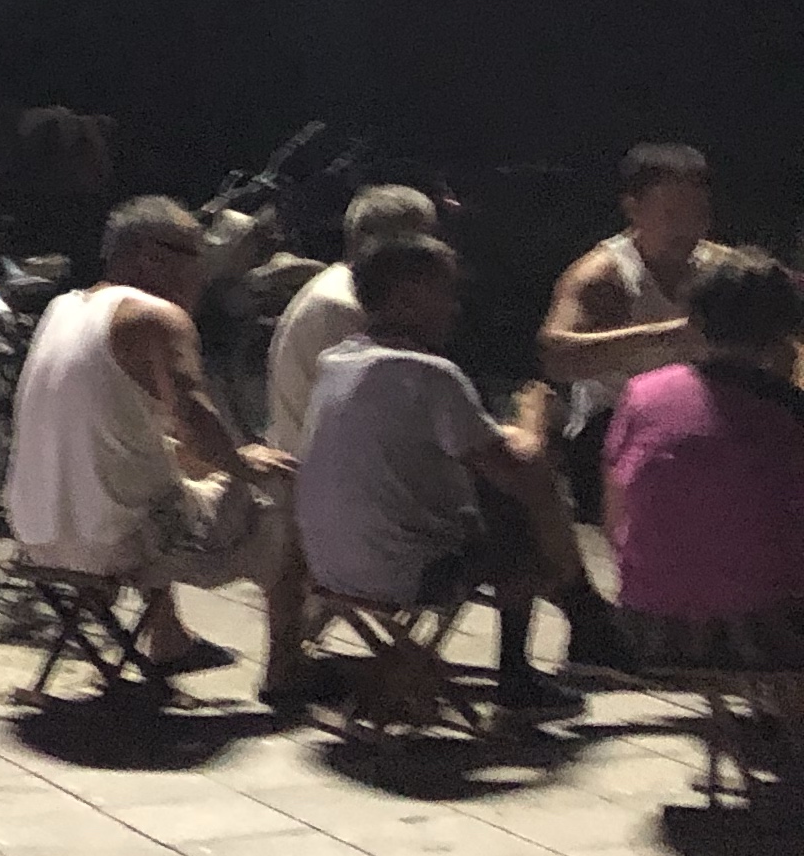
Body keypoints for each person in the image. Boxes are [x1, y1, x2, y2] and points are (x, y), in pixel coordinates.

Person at [300, 232, 627, 714]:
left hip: (327, 564)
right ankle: (521, 672)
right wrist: (536, 421)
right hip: (398, 574)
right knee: (519, 520)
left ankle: (585, 617)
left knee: (496, 495)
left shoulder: (337, 361)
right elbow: (519, 471)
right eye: (443, 293)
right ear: (405, 299)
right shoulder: (430, 375)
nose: (454, 308)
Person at [5, 193, 306, 701]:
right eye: (193, 256)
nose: (202, 273)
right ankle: (284, 675)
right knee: (284, 498)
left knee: (156, 472)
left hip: (37, 533)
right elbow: (195, 419)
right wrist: (244, 464)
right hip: (118, 543)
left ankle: (169, 638)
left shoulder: (63, 308)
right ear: (149, 255)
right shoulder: (156, 318)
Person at [604, 245, 804, 719]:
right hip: (765, 632)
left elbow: (614, 517)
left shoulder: (643, 393)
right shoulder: (789, 411)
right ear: (785, 332)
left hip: (650, 625)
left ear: (695, 319)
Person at [540, 141, 715, 515]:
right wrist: (665, 335)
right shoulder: (604, 275)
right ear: (633, 209)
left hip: (696, 424)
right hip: (615, 429)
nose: (688, 229)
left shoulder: (719, 268)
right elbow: (555, 355)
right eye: (672, 215)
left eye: (698, 214)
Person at [265, 183, 444, 456]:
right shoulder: (343, 307)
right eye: (425, 239)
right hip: (320, 472)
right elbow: (383, 419)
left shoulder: (338, 288)